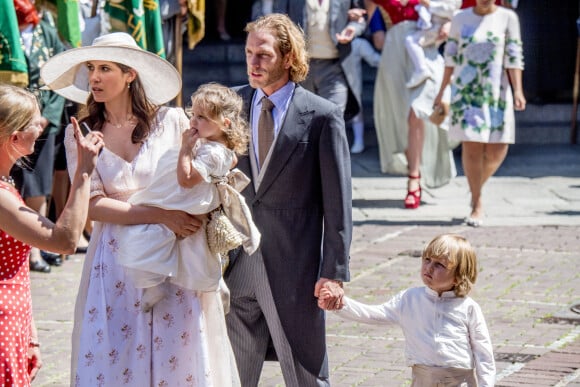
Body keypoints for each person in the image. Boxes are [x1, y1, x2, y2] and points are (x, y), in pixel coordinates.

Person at [40, 32, 240, 385]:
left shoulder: (172, 121)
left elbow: (200, 175)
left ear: (130, 73)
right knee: (116, 355)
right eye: (91, 68)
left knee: (176, 356)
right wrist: (160, 214)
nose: (95, 77)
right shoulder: (82, 132)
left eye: (105, 68)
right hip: (114, 260)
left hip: (174, 256)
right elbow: (92, 206)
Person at [225, 13, 352, 386]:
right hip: (236, 264)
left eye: (263, 54)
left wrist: (334, 273)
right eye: (249, 53)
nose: (254, 62)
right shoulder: (232, 106)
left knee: (306, 374)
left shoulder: (321, 116)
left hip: (294, 265)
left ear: (288, 58)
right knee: (232, 373)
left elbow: (338, 203)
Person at [113, 82, 260, 311]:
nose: (193, 121)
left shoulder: (214, 152)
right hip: (183, 196)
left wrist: (185, 149)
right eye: (193, 114)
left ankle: (154, 282)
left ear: (225, 123)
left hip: (187, 198)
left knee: (152, 234)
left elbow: (186, 179)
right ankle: (155, 279)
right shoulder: (211, 146)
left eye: (202, 118)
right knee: (159, 235)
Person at [0, 84, 102, 386]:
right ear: (14, 137)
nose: (42, 124)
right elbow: (64, 240)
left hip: (12, 317)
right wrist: (83, 172)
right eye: (35, 120)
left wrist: (28, 329)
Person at [319, 234, 496, 386]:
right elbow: (374, 314)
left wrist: (486, 384)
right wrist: (340, 304)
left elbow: (483, 352)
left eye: (439, 264)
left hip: (460, 380)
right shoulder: (410, 299)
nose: (429, 267)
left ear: (458, 276)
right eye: (427, 259)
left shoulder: (468, 307)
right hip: (422, 378)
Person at [433, 0, 525, 226]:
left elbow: (514, 56)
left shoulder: (507, 18)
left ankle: (476, 187)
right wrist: (442, 90)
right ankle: (477, 202)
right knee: (472, 147)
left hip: (497, 93)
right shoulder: (460, 18)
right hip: (466, 93)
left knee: (497, 149)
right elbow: (451, 57)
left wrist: (518, 90)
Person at [371, 0, 461, 208]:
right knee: (401, 116)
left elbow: (456, 7)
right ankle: (414, 165)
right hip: (394, 52)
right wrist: (368, 24)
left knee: (418, 111)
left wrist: (449, 24)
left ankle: (414, 179)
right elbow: (368, 12)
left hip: (425, 50)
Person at [11, 0, 67, 272]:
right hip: (10, 124)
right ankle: (14, 248)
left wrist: (46, 117)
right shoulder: (5, 28)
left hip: (43, 123)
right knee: (13, 186)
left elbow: (59, 79)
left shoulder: (46, 30)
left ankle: (35, 250)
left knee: (39, 189)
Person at [404, 0, 461, 89]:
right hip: (429, 29)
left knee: (411, 40)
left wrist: (429, 5)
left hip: (438, 28)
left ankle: (422, 70)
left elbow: (451, 10)